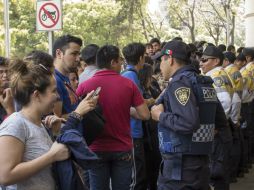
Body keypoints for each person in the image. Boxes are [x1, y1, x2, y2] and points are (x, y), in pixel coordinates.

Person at [76, 45, 150, 190]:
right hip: (122, 148)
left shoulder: (84, 85)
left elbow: (76, 113)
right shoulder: (128, 84)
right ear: (112, 62)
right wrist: (124, 108)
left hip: (95, 148)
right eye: (119, 60)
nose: (122, 63)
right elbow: (145, 115)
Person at [151, 40, 218, 190]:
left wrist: (160, 116)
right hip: (200, 164)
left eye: (161, 60)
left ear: (171, 59)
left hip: (181, 169)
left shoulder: (180, 83)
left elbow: (188, 122)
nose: (160, 66)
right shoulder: (203, 82)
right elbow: (219, 122)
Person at [0, 59, 69, 190]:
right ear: (37, 95)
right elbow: (5, 176)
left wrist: (55, 133)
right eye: (54, 91)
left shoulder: (39, 123)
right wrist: (51, 156)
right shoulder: (15, 124)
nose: (57, 96)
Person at [200, 45, 233, 190]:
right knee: (220, 172)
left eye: (204, 60)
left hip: (218, 134)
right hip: (223, 131)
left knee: (216, 173)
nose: (201, 63)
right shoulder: (223, 73)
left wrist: (216, 125)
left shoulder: (215, 77)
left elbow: (225, 101)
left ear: (216, 61)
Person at [121, 42, 148, 190]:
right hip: (132, 131)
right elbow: (131, 105)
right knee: (136, 176)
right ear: (140, 58)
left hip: (133, 131)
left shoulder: (129, 74)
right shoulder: (131, 76)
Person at [53, 34, 82, 119]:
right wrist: (81, 111)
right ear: (59, 53)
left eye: (78, 54)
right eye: (74, 54)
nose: (78, 59)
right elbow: (56, 120)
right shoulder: (54, 81)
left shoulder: (65, 78)